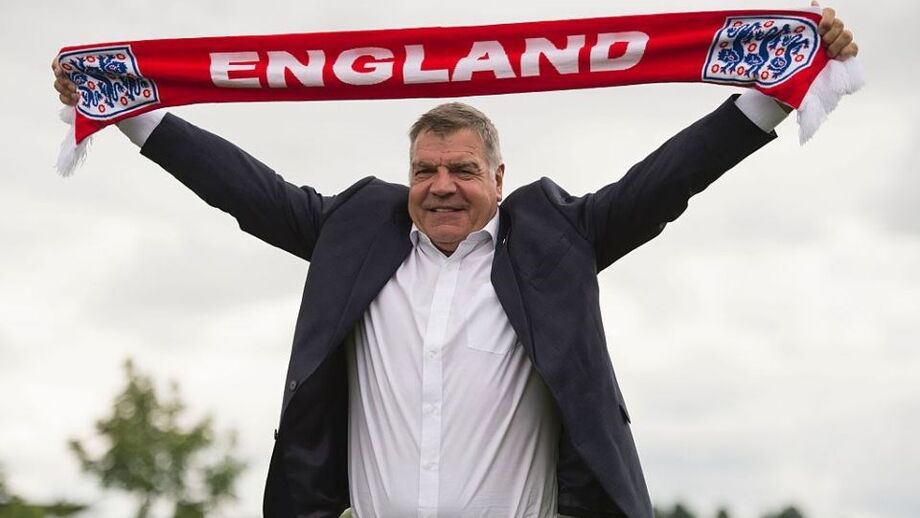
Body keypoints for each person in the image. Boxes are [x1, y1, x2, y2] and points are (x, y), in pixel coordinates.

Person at [52, 5, 857, 518]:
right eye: (425, 171)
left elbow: (668, 179)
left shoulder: (559, 239)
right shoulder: (352, 235)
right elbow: (242, 188)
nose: (441, 186)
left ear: (498, 178)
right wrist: (128, 107)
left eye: (463, 170)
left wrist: (781, 86)